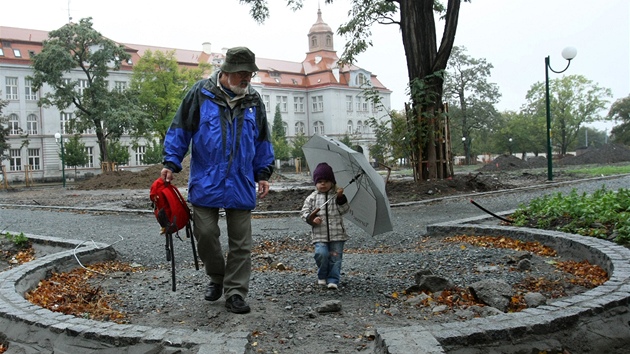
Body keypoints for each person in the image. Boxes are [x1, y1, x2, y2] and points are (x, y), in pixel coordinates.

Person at [160, 46, 275, 314]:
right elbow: (180, 129)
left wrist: (263, 172)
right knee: (206, 235)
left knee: (241, 243)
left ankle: (235, 292)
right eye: (241, 74)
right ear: (226, 72)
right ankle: (217, 277)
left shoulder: (253, 101)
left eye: (249, 73)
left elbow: (262, 140)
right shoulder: (200, 94)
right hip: (206, 179)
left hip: (241, 181)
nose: (246, 78)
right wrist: (170, 162)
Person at [300, 162, 350, 290]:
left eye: (326, 181)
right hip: (319, 234)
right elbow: (304, 212)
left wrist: (341, 199)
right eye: (320, 181)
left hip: (337, 234)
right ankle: (322, 274)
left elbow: (344, 210)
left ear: (332, 182)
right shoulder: (312, 198)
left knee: (335, 258)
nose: (323, 184)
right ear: (315, 183)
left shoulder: (336, 196)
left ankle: (333, 279)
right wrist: (311, 219)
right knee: (321, 254)